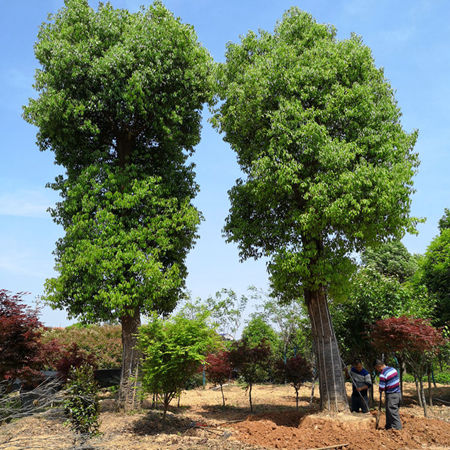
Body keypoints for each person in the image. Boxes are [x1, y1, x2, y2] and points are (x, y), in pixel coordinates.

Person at [374, 359, 402, 430]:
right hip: (398, 394)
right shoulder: (393, 369)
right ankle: (389, 427)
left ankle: (398, 429)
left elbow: (382, 387)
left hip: (391, 395)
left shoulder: (383, 374)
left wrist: (380, 390)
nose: (377, 370)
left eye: (376, 368)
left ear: (379, 366)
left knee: (393, 413)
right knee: (389, 411)